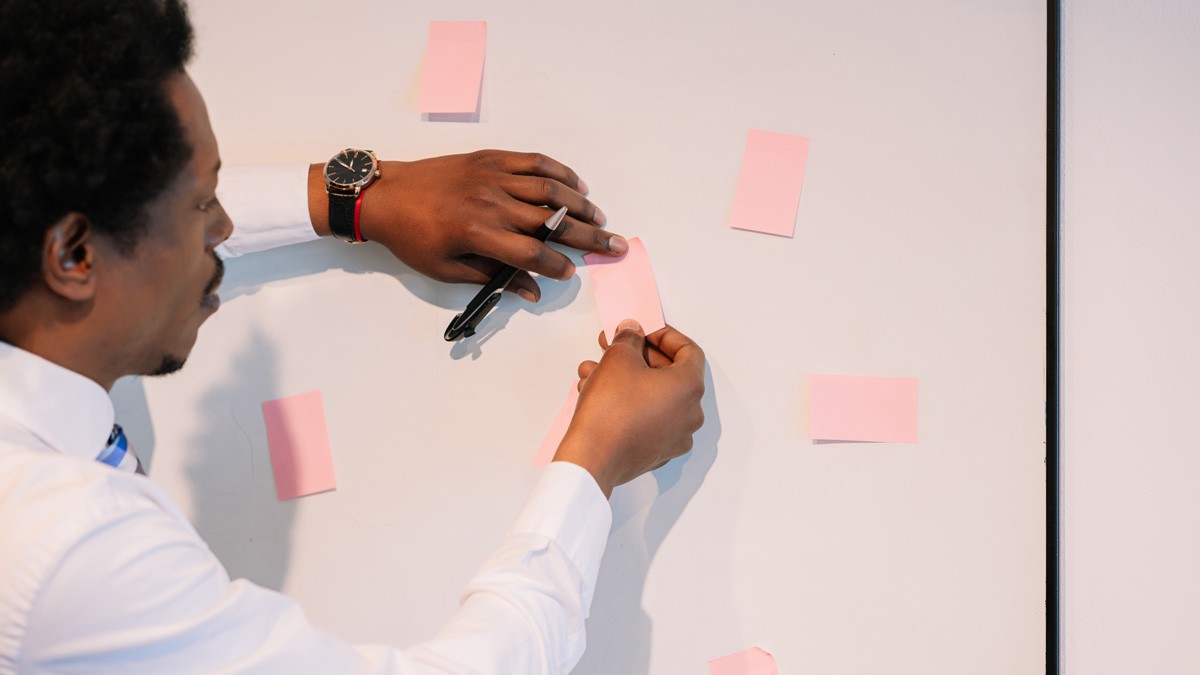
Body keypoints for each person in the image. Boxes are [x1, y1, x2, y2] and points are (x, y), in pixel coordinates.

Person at [0, 1, 706, 673]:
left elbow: (117, 197)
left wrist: (354, 196)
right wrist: (596, 460)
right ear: (73, 257)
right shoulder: (72, 551)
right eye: (202, 203)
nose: (222, 229)